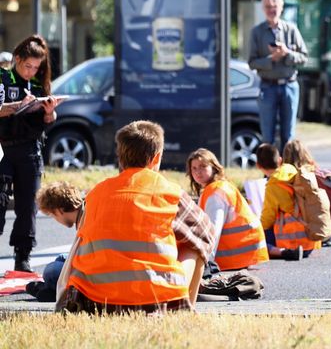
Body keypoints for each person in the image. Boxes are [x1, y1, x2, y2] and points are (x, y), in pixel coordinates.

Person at [59, 120, 216, 315]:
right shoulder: (169, 192)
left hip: (95, 301)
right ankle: (184, 312)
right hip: (153, 299)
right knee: (194, 245)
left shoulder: (95, 193)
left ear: (120, 157)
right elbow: (207, 232)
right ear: (156, 157)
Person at [0, 35, 58, 272]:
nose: (31, 71)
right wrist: (17, 106)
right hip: (3, 148)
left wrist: (49, 112)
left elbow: (46, 121)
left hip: (30, 150)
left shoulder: (37, 84)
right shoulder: (3, 78)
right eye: (27, 66)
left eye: (36, 67)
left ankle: (22, 257)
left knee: (28, 206)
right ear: (17, 59)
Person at [186, 148, 269, 271]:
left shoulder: (215, 193)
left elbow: (213, 230)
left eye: (203, 166)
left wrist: (207, 262)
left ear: (214, 167)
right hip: (245, 251)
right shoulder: (218, 187)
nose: (198, 172)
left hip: (237, 254)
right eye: (194, 168)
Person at [248, 0, 308, 152]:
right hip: (267, 87)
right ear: (263, 8)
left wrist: (287, 53)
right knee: (267, 136)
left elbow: (304, 57)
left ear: (281, 7)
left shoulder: (291, 30)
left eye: (275, 6)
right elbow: (252, 62)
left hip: (289, 86)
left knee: (288, 135)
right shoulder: (257, 32)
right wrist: (271, 59)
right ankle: (268, 174)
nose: (271, 9)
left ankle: (288, 172)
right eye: (268, 6)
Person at [256, 143, 319, 260]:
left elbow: (268, 217)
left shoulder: (273, 185)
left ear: (258, 166)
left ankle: (285, 252)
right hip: (311, 238)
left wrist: (258, 228)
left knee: (257, 241)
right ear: (280, 160)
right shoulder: (290, 169)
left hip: (293, 240)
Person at [25, 182, 85, 302]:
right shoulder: (83, 212)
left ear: (60, 210)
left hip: (92, 270)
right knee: (60, 258)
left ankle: (55, 291)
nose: (56, 219)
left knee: (51, 271)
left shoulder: (85, 220)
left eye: (53, 215)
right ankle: (52, 290)